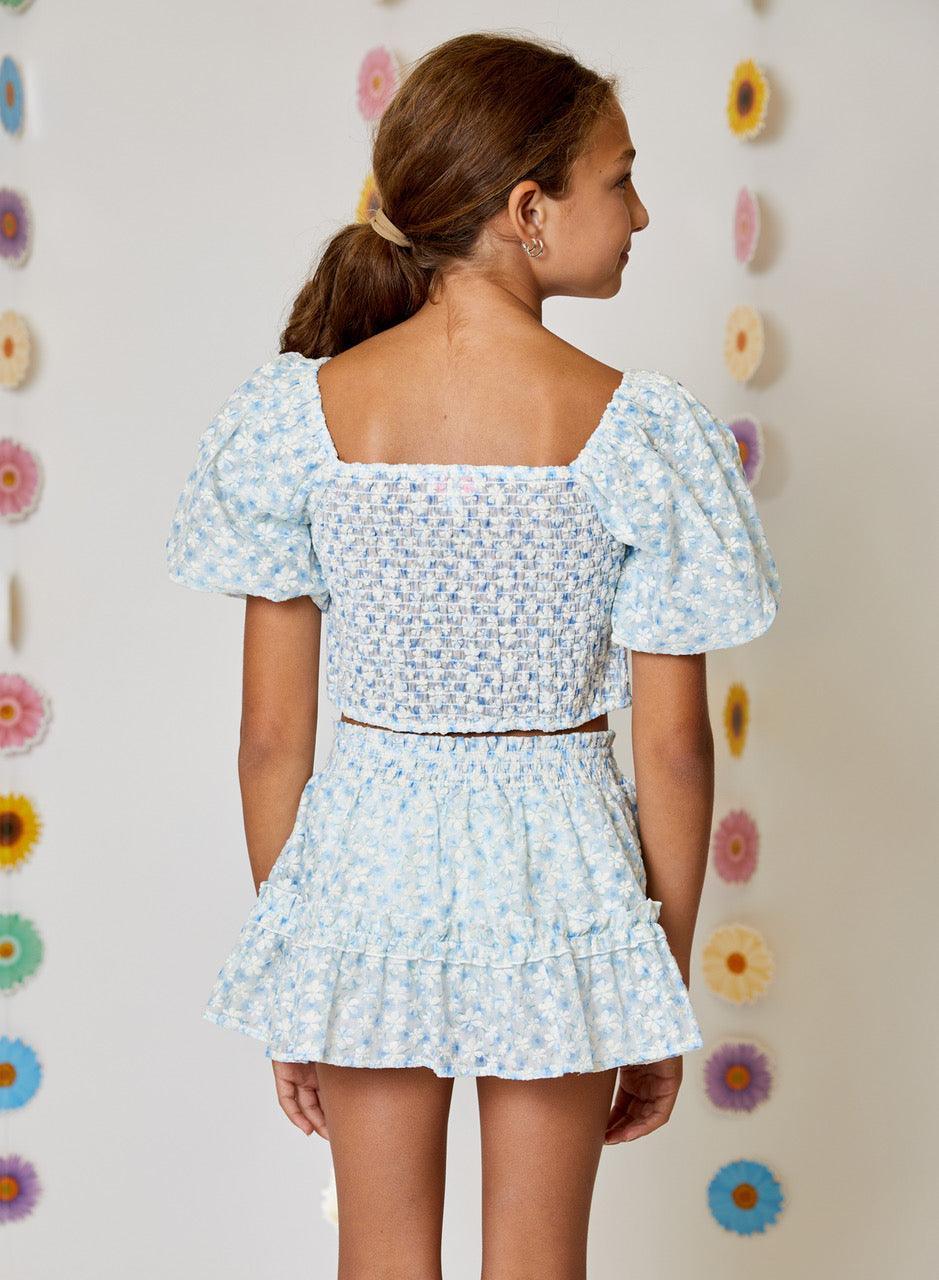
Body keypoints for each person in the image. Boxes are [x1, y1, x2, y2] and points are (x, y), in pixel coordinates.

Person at [165, 30, 780, 1280]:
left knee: (380, 1255)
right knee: (541, 1262)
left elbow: (270, 741)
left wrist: (306, 967)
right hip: (563, 883)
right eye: (622, 178)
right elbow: (673, 751)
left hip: (366, 877)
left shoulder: (304, 418)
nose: (642, 212)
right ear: (528, 208)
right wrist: (654, 979)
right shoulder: (637, 433)